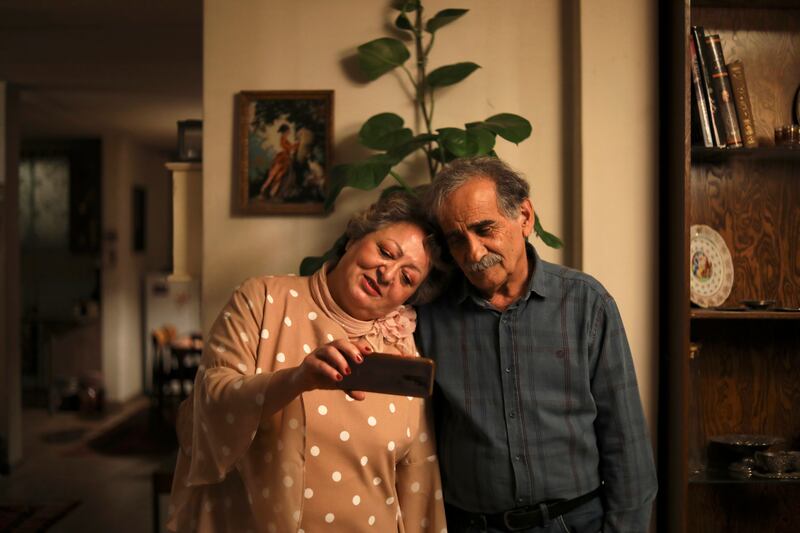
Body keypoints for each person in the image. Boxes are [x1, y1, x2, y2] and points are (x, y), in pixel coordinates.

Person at [167, 190, 449, 533]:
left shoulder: (402, 345)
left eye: (407, 278)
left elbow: (418, 471)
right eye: (386, 252)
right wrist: (296, 380)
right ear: (353, 240)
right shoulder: (262, 299)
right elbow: (210, 402)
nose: (388, 275)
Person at [416, 157, 657, 532]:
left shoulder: (586, 303)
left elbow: (626, 444)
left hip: (575, 524)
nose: (474, 253)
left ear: (525, 216)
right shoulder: (428, 315)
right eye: (457, 239)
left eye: (485, 229)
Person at [259, 123, 298, 198]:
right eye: (288, 131)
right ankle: (263, 191)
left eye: (289, 131)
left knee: (278, 177)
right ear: (285, 131)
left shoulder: (285, 139)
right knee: (273, 176)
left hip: (285, 159)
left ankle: (271, 193)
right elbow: (288, 148)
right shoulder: (282, 139)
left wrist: (294, 146)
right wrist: (295, 145)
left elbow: (290, 148)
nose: (289, 132)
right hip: (282, 159)